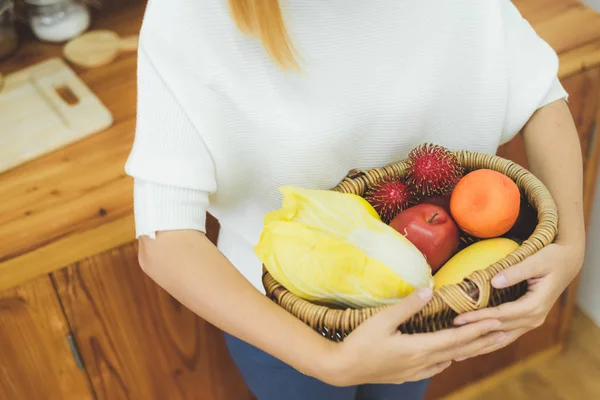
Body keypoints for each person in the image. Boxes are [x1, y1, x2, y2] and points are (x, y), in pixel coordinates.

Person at [124, 0, 586, 399]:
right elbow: (164, 238)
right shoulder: (190, 16)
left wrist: (571, 249)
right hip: (283, 326)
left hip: (425, 303)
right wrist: (328, 361)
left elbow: (539, 96)